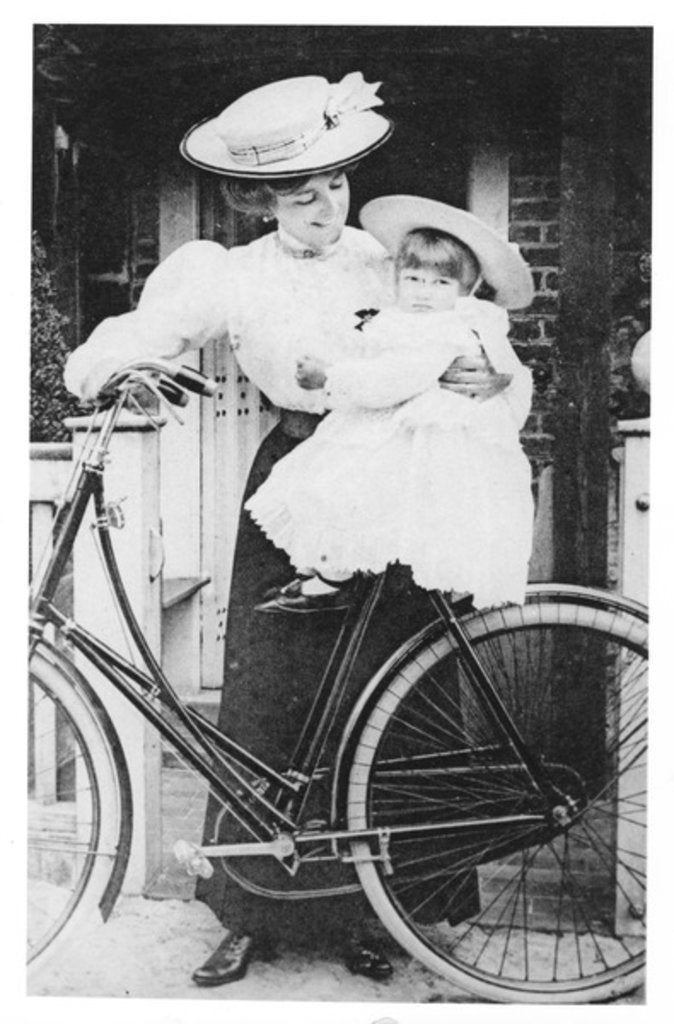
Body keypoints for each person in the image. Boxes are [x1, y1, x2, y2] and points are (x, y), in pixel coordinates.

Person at [63, 74, 511, 989]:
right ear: (259, 197)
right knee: (273, 698)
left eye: (337, 184)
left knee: (392, 695)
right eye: (300, 192)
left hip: (394, 479)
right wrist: (111, 372)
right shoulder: (230, 274)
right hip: (295, 481)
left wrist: (495, 384)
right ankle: (251, 914)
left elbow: (480, 336)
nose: (324, 206)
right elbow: (140, 333)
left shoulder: (388, 260)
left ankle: (383, 914)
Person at [247, 197, 535, 613]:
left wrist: (331, 376)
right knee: (326, 486)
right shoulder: (390, 305)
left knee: (348, 489)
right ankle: (328, 568)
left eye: (440, 284)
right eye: (414, 279)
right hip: (379, 427)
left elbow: (393, 379)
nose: (423, 293)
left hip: (425, 445)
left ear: (465, 290)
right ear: (398, 276)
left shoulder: (441, 330)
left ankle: (336, 575)